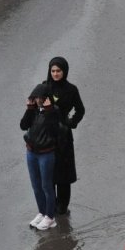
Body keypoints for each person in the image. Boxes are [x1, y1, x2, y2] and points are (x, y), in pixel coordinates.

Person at [45, 56, 85, 216]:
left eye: (58, 71)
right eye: (53, 71)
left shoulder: (71, 89)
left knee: (63, 172)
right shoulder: (44, 87)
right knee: (48, 172)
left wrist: (70, 123)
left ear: (64, 71)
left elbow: (80, 110)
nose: (55, 74)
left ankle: (62, 206)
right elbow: (36, 109)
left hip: (63, 137)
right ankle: (50, 205)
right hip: (47, 136)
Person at [21, 83, 60, 231]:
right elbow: (23, 125)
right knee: (36, 186)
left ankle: (50, 217)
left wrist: (49, 110)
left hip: (46, 154)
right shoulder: (35, 111)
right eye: (35, 98)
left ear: (46, 98)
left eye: (40, 98)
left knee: (46, 186)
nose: (37, 101)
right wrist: (29, 109)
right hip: (31, 153)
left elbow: (54, 131)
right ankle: (42, 212)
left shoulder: (54, 111)